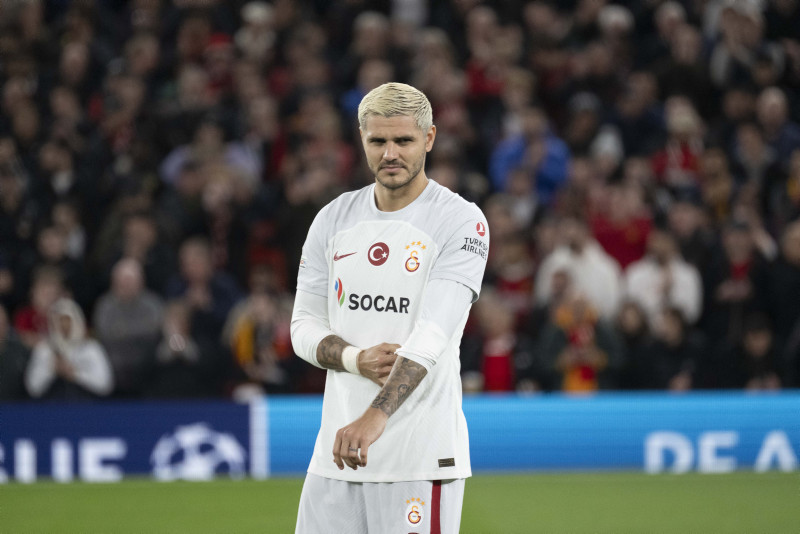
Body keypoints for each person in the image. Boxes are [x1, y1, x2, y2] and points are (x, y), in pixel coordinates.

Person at [290, 83, 489, 534]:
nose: (390, 153)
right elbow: (303, 325)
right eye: (378, 141)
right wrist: (354, 358)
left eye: (404, 140)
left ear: (430, 138)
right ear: (362, 139)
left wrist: (375, 415)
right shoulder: (333, 218)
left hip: (418, 458)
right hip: (336, 454)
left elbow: (433, 332)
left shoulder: (460, 220)